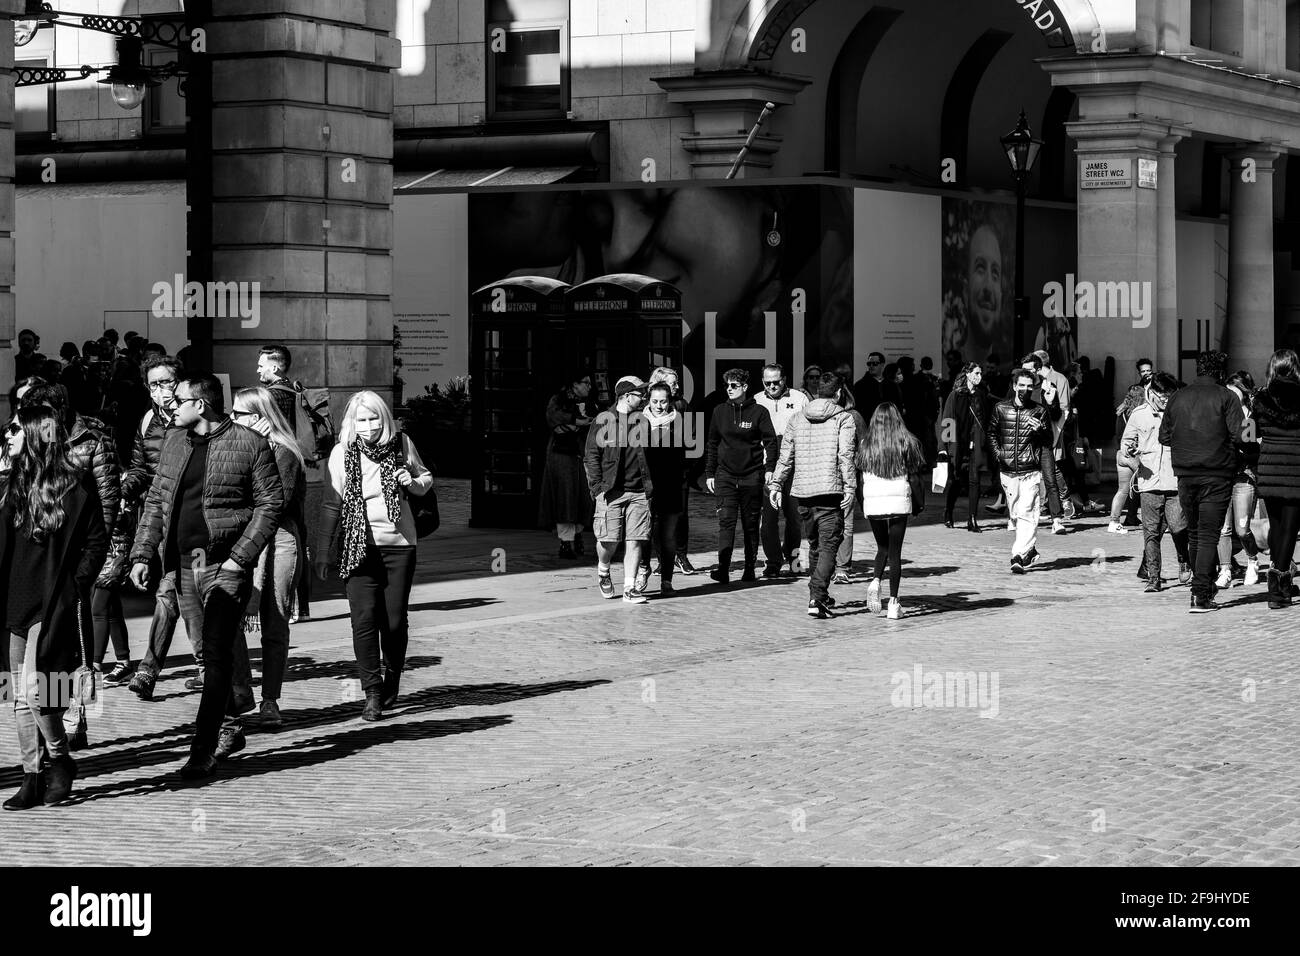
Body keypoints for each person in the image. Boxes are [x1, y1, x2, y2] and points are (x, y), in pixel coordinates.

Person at [130, 374, 284, 780]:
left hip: (223, 565)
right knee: (205, 650)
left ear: (202, 405)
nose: (170, 405)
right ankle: (232, 725)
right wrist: (143, 552)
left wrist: (239, 558)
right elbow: (156, 501)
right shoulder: (174, 442)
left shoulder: (249, 444)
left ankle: (201, 749)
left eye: (178, 399)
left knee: (215, 654)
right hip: (185, 563)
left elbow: (271, 504)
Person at [0, 405, 108, 809]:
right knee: (14, 694)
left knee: (36, 689)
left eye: (14, 428)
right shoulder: (10, 484)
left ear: (34, 434)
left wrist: (74, 586)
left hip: (52, 602)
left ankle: (60, 760)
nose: (6, 434)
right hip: (13, 602)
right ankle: (32, 774)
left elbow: (97, 542)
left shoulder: (74, 487)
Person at [315, 391, 432, 718]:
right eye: (360, 420)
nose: (367, 426)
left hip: (398, 544)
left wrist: (412, 481)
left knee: (393, 622)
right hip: (356, 548)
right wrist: (322, 551)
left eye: (373, 419)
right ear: (351, 422)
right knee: (364, 619)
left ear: (385, 419)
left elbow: (425, 481)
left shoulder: (402, 444)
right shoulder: (341, 453)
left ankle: (392, 677)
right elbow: (330, 503)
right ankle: (372, 692)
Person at [19, 383, 123, 748]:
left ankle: (74, 713)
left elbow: (108, 501)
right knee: (41, 656)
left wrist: (90, 564)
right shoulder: (31, 444)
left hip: (79, 558)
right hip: (41, 564)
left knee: (73, 643)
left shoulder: (91, 439)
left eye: (44, 413)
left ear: (59, 410)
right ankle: (52, 722)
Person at [232, 387, 306, 729]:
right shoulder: (237, 446)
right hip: (243, 541)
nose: (233, 420)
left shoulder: (285, 453)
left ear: (260, 417)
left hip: (279, 542)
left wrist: (258, 452)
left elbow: (275, 502)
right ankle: (241, 689)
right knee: (229, 620)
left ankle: (270, 699)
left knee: (274, 621)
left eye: (240, 414)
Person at [1158, 350, 1243, 613]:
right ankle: (1201, 593)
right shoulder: (1226, 397)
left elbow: (1164, 436)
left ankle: (1200, 589)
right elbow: (1242, 435)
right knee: (1207, 534)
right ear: (1219, 372)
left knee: (1195, 533)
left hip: (1185, 473)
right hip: (1216, 472)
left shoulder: (1177, 397)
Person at [767, 372, 855, 619]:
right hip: (830, 490)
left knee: (816, 545)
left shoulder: (797, 417)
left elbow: (786, 456)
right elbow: (845, 456)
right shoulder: (844, 418)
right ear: (838, 393)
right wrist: (850, 487)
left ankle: (819, 596)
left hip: (803, 492)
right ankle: (817, 596)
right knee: (829, 545)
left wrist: (776, 484)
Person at [124, 356, 186, 701]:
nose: (161, 390)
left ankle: (150, 667)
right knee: (169, 590)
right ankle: (150, 668)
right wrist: (125, 487)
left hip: (194, 522)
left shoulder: (193, 417)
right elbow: (141, 469)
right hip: (160, 516)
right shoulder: (148, 420)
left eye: (167, 382)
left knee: (176, 592)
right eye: (154, 384)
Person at [582, 376, 654, 603]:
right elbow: (591, 455)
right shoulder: (603, 420)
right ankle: (604, 570)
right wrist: (596, 488)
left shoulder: (643, 420)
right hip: (610, 489)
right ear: (625, 396)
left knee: (635, 539)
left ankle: (630, 588)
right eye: (639, 393)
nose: (643, 397)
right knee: (609, 541)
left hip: (639, 490)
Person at [1119, 373, 1190, 592]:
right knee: (1150, 532)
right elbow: (1125, 445)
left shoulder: (1180, 413)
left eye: (1169, 396)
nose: (1165, 400)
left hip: (1174, 479)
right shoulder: (1139, 415)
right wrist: (1132, 455)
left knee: (1178, 526)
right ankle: (1154, 577)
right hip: (1148, 482)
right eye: (1162, 396)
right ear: (1152, 392)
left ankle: (1183, 558)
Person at [705, 368, 777, 585]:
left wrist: (770, 468)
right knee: (726, 523)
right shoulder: (719, 411)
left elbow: (771, 442)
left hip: (751, 475)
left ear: (745, 387)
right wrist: (710, 473)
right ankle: (723, 569)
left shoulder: (760, 412)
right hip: (725, 476)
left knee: (750, 523)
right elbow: (712, 443)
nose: (729, 389)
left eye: (734, 385)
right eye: (727, 385)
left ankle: (749, 569)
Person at [859, 402, 925, 620]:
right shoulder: (907, 442)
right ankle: (894, 603)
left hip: (874, 502)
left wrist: (863, 504)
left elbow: (861, 477)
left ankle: (876, 580)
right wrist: (918, 503)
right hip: (898, 502)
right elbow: (915, 477)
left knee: (882, 547)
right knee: (895, 553)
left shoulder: (866, 444)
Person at [1251, 349, 1300, 609]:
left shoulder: (1260, 398)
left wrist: (1257, 455)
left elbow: (1246, 435)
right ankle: (1279, 586)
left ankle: (1278, 584)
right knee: (1291, 530)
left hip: (1269, 469)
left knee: (1278, 526)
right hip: (1296, 470)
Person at [992, 369, 1051, 572]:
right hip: (1007, 470)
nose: (1025, 389)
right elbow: (991, 433)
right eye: (1022, 385)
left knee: (1027, 512)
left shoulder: (1039, 411)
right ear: (1015, 386)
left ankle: (1017, 555)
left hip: (1030, 469)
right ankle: (1030, 551)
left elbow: (1049, 440)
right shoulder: (1001, 408)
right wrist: (999, 454)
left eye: (1029, 386)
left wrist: (1040, 430)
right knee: (1016, 514)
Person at [754, 363, 807, 577]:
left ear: (784, 379)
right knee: (768, 517)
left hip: (794, 465)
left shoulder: (799, 398)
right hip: (767, 467)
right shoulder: (757, 400)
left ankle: (794, 560)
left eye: (776, 382)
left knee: (795, 516)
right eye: (768, 383)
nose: (772, 386)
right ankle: (773, 561)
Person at [539, 371, 596, 559]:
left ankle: (577, 534)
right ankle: (566, 542)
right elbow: (553, 419)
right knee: (565, 496)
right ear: (574, 384)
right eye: (585, 382)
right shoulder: (558, 400)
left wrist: (574, 425)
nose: (589, 386)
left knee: (584, 498)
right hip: (561, 454)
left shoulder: (591, 402)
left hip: (582, 453)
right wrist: (576, 421)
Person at [648, 366, 697, 575]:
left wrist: (687, 466)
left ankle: (681, 555)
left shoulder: (682, 405)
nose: (677, 386)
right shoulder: (647, 407)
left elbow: (693, 436)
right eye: (672, 382)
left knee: (681, 514)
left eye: (676, 383)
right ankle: (661, 558)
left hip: (678, 470)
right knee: (657, 516)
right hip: (654, 470)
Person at [639, 382, 687, 595]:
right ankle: (643, 568)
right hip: (645, 486)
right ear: (648, 400)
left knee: (667, 536)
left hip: (671, 486)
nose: (659, 406)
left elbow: (691, 454)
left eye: (663, 401)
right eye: (655, 401)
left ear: (670, 401)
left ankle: (666, 581)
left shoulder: (680, 421)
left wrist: (684, 477)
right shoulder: (638, 421)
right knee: (643, 534)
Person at [1214, 371, 1260, 591]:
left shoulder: (1249, 417)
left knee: (1242, 529)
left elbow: (1252, 450)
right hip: (1222, 476)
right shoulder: (1219, 413)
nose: (1230, 396)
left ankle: (1253, 560)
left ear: (1243, 392)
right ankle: (1225, 570)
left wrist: (1236, 450)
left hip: (1243, 475)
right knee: (1223, 528)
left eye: (1234, 391)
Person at [937, 362, 992, 533]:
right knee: (956, 480)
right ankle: (948, 511)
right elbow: (947, 421)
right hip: (958, 445)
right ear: (967, 374)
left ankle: (972, 519)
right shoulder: (956, 395)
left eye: (980, 373)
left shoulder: (982, 395)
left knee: (974, 481)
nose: (979, 376)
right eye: (976, 373)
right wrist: (944, 447)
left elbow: (986, 419)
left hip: (975, 444)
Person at [1109, 384, 1147, 534]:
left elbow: (1117, 435)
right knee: (1147, 489)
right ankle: (1153, 520)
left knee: (1123, 490)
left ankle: (1114, 521)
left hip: (1122, 453)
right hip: (1135, 454)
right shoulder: (1139, 414)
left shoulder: (1121, 412)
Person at [257, 345, 298, 433]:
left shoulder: (269, 395)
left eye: (261, 366)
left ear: (274, 368)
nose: (258, 370)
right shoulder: (293, 389)